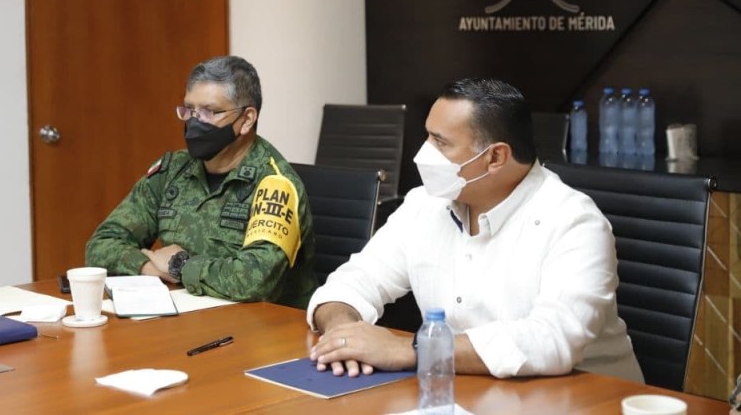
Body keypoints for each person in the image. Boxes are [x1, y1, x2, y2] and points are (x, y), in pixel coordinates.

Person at [308, 78, 643, 382]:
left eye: (440, 142)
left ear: (495, 157)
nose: (423, 153)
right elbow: (354, 281)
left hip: (585, 398)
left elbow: (552, 340)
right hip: (469, 391)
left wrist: (410, 350)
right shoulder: (424, 204)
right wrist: (344, 334)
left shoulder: (574, 222)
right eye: (428, 136)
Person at [85, 55, 317, 309]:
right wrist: (148, 268)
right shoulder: (172, 171)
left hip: (264, 326)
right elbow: (101, 245)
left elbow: (255, 279)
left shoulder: (275, 184)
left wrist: (179, 265)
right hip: (185, 316)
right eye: (189, 110)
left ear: (247, 119)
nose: (195, 122)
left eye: (209, 112)